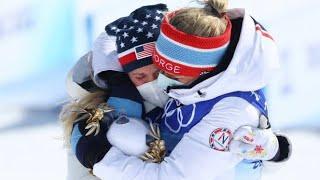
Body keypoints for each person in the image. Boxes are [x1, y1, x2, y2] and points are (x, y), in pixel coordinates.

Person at [61, 2, 290, 180]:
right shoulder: (202, 77)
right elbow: (109, 44)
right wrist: (114, 78)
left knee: (126, 136)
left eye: (168, 73)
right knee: (124, 133)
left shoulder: (229, 109)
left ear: (200, 71)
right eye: (144, 74)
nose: (161, 82)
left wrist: (99, 157)